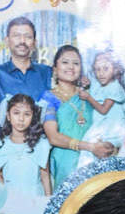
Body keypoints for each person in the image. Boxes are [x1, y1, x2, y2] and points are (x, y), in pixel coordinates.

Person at [0, 16, 53, 158]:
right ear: (7, 41)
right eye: (16, 35)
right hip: (6, 154)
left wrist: (83, 82)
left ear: (34, 43)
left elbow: (66, 101)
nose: (22, 41)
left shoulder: (48, 73)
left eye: (27, 36)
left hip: (44, 154)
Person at [39, 44, 110, 192]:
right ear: (55, 69)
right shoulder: (48, 98)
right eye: (65, 62)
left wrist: (106, 146)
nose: (71, 67)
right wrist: (90, 147)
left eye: (76, 63)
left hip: (94, 160)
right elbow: (53, 137)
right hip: (64, 163)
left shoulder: (89, 95)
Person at [0, 92, 52, 210]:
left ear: (32, 117)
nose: (21, 119)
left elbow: (45, 175)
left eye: (27, 114)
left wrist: (49, 205)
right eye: (16, 113)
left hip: (34, 198)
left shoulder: (41, 144)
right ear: (8, 116)